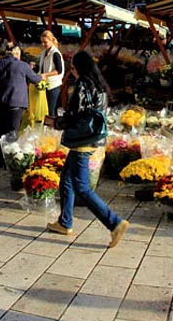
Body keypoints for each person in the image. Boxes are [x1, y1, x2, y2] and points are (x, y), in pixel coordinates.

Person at [48, 51, 130, 247]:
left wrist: (56, 122)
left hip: (81, 141)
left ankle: (114, 223)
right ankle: (65, 222)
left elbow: (76, 114)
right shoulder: (100, 86)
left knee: (81, 186)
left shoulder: (84, 85)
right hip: (91, 138)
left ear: (81, 68)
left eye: (74, 68)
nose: (72, 71)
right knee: (66, 180)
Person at [0, 42, 42, 169]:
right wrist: (37, 73)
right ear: (17, 53)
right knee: (12, 133)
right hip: (16, 103)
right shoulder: (23, 65)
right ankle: (9, 162)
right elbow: (35, 79)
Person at [36, 30, 65, 116]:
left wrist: (46, 74)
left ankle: (52, 127)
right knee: (46, 109)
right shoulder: (44, 52)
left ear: (51, 40)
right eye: (42, 42)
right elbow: (43, 67)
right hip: (46, 84)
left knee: (51, 110)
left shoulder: (55, 53)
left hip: (53, 85)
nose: (43, 44)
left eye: (45, 42)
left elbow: (59, 70)